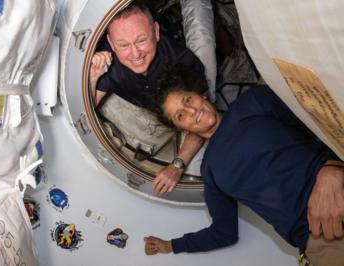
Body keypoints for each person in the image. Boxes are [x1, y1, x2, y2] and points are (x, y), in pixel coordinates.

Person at [144, 67, 344, 265]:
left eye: (188, 100)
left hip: (337, 191)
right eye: (180, 115)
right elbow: (224, 233)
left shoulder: (253, 101)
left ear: (200, 94)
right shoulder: (210, 171)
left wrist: (333, 168)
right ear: (181, 129)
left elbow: (324, 121)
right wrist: (170, 245)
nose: (191, 110)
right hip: (320, 239)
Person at [90, 1, 208, 194]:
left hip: (164, 123)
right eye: (123, 44)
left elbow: (203, 120)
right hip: (126, 114)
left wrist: (177, 165)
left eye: (141, 40)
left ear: (156, 31)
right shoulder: (106, 60)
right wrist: (93, 76)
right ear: (111, 43)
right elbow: (86, 110)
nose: (135, 53)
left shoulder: (184, 63)